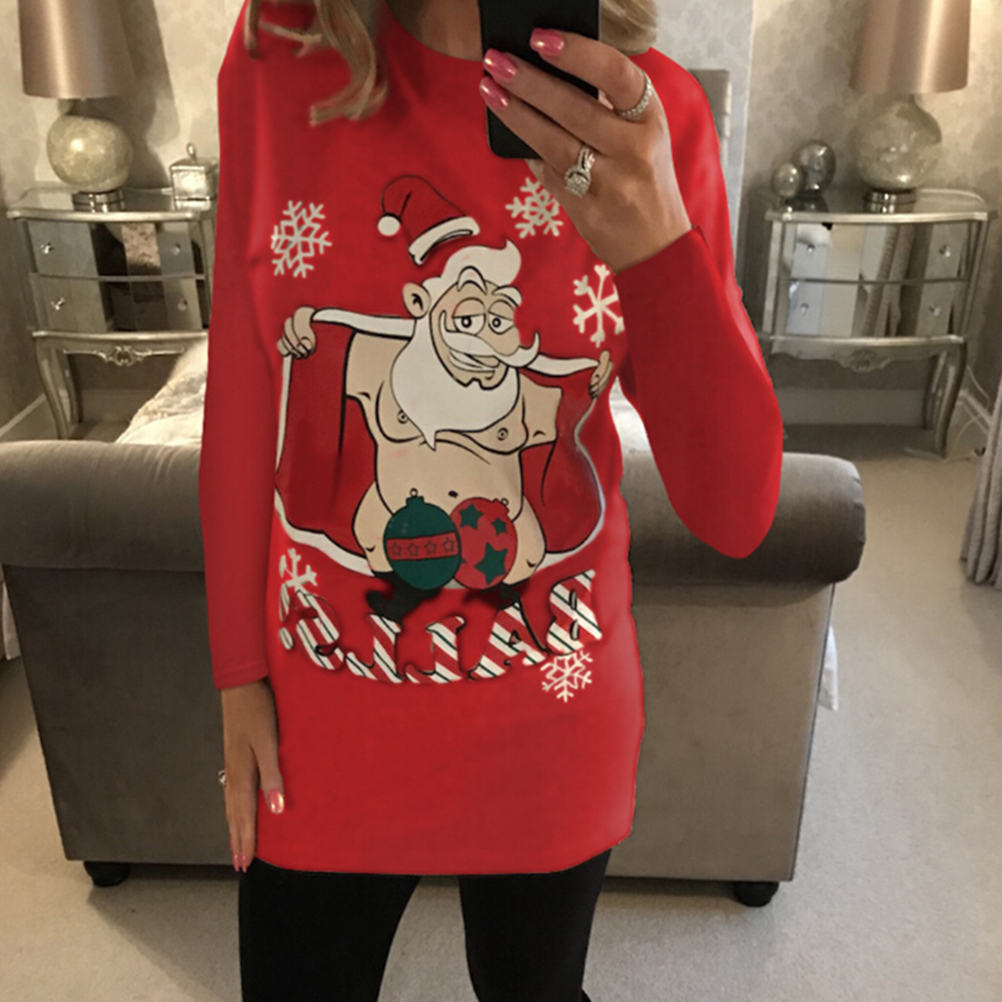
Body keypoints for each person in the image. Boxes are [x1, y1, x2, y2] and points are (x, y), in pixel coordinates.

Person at [198, 0, 784, 999]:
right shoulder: (279, 49)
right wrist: (237, 673)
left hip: (550, 721)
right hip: (323, 720)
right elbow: (247, 381)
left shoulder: (650, 114)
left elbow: (737, 512)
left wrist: (657, 250)